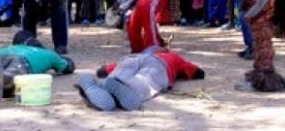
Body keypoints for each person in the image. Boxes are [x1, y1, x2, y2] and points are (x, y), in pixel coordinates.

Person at [75, 46, 204, 111]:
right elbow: (198, 72)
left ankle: (100, 88)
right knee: (145, 80)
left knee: (119, 73)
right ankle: (129, 89)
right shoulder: (172, 57)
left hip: (133, 58)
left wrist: (105, 69)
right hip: (159, 64)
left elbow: (102, 71)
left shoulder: (141, 55)